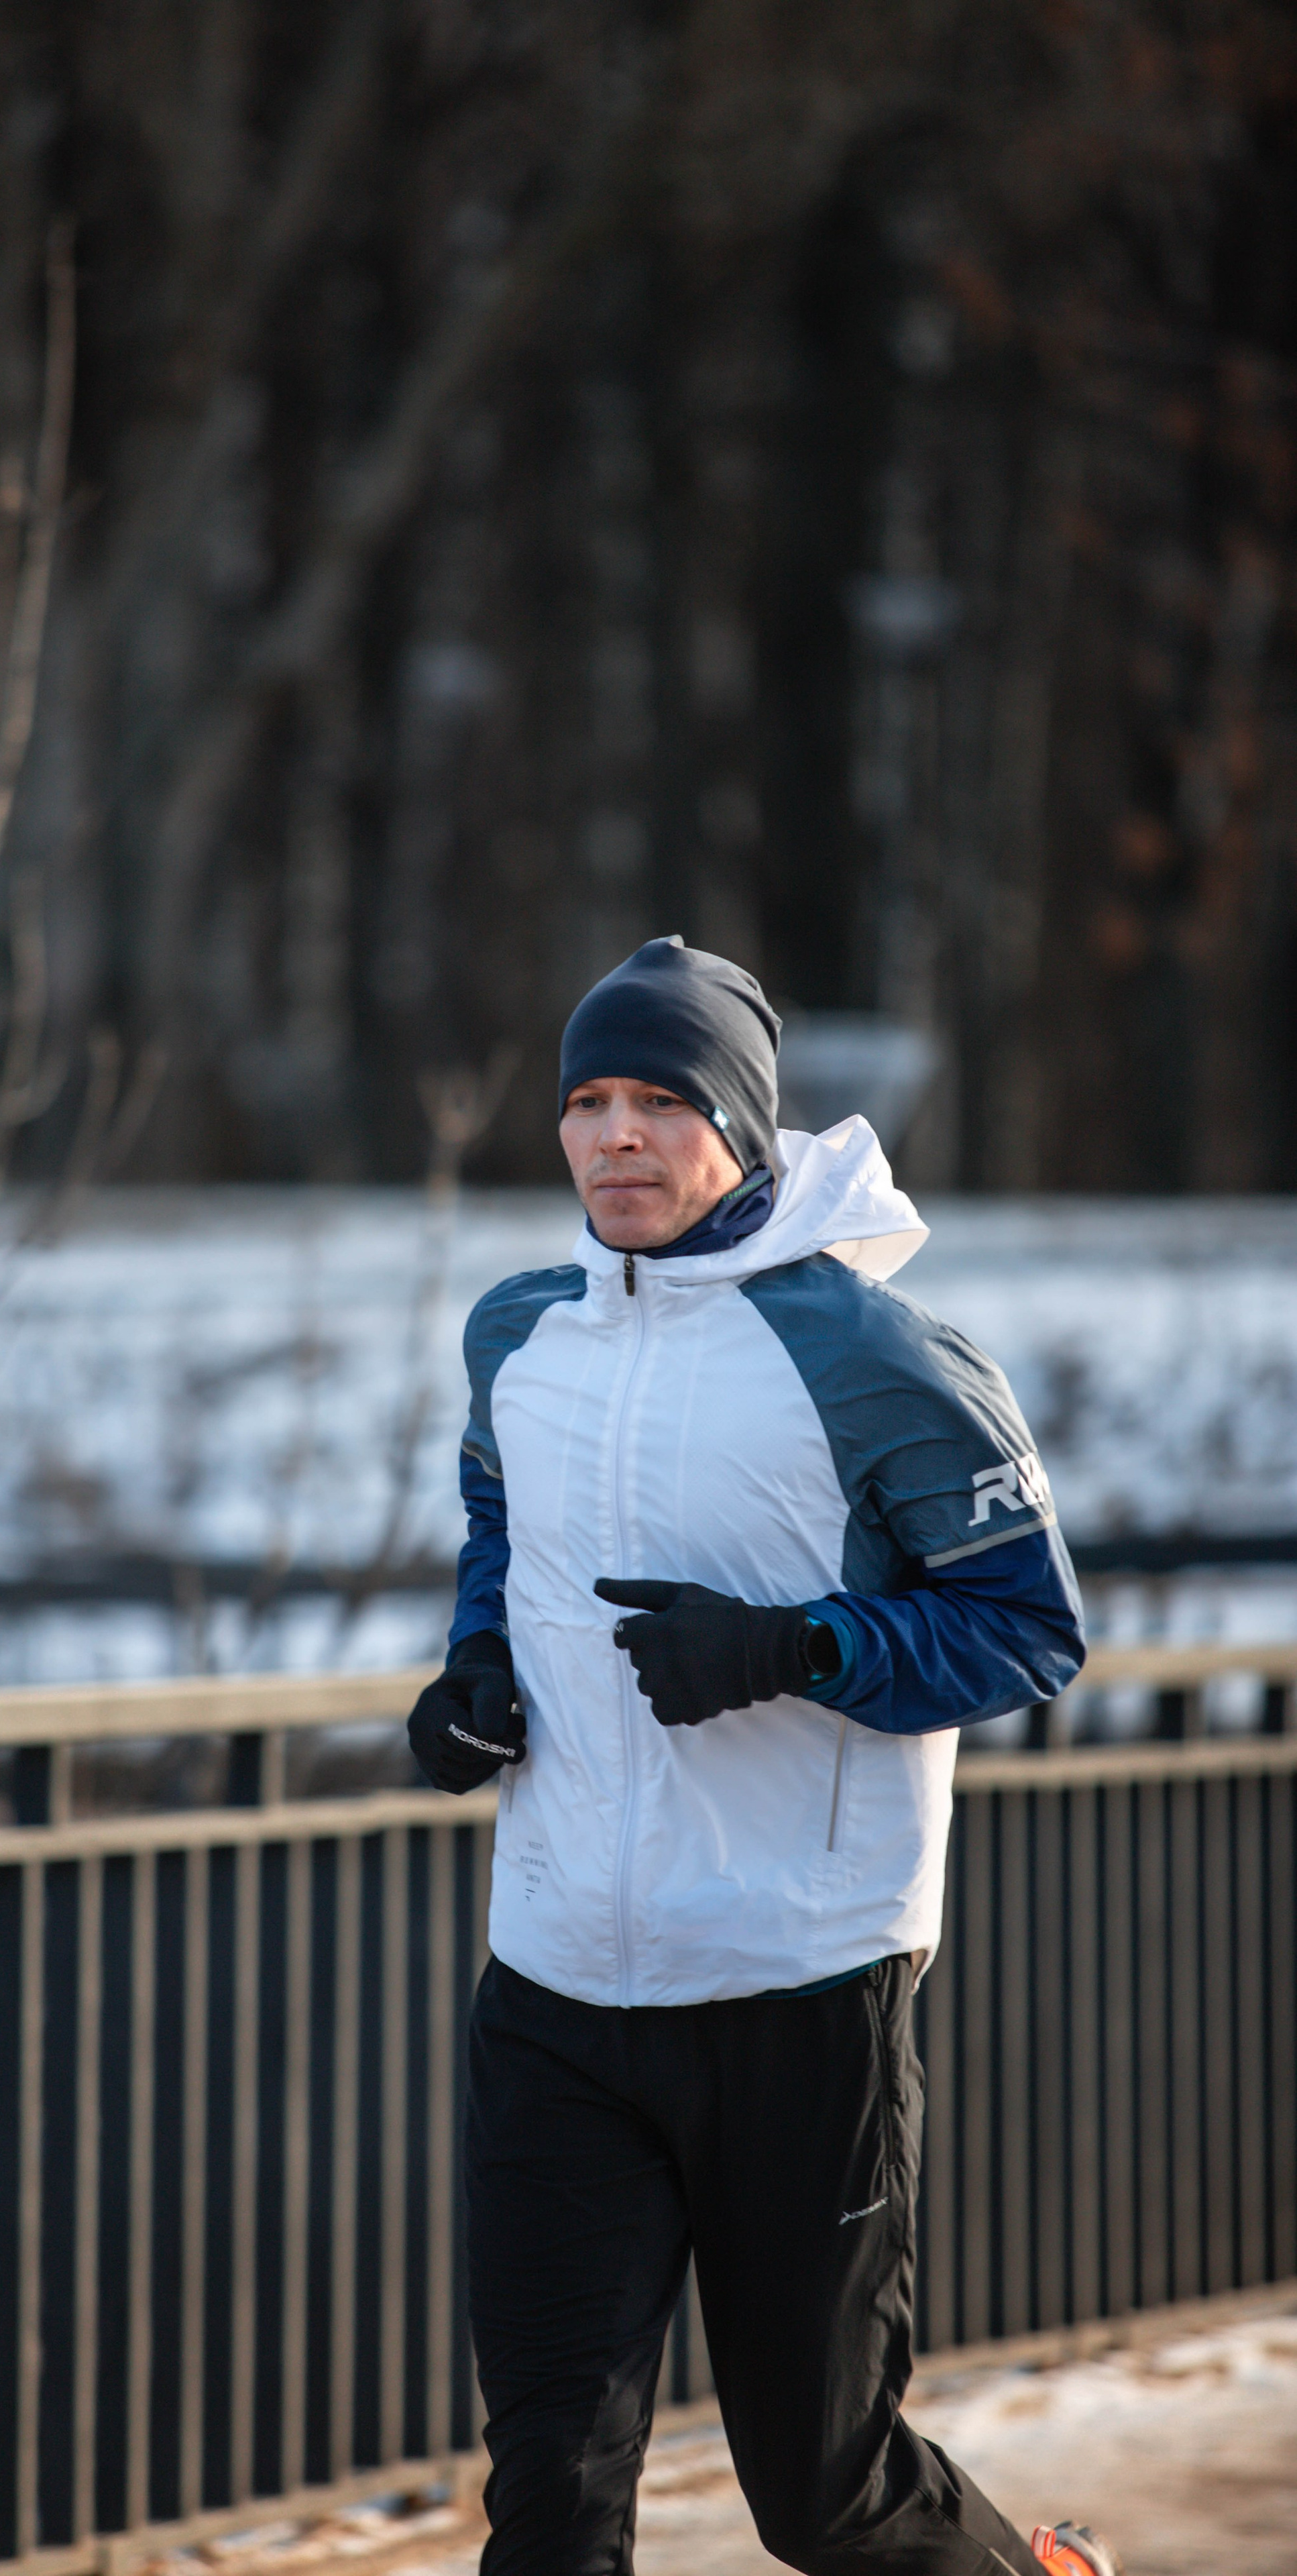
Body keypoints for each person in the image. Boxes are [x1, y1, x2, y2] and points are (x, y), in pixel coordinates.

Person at [406, 938, 1113, 2576]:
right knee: (550, 2510)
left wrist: (795, 1648)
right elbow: (499, 1526)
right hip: (557, 1990)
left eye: (660, 1099)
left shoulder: (871, 1353)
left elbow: (1027, 1630)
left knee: (828, 2500)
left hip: (794, 1991)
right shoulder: (518, 1333)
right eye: (585, 1100)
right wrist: (475, 1671)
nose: (614, 1138)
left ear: (739, 1125)